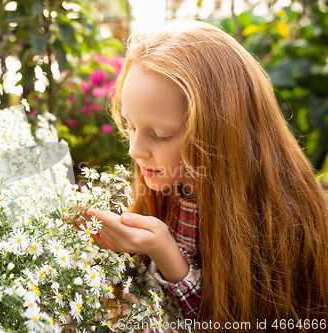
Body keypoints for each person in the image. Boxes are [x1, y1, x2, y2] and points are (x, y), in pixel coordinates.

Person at [74, 19, 328, 332]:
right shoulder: (170, 184)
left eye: (160, 134)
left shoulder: (278, 223)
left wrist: (165, 252)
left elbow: (233, 320)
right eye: (131, 126)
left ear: (220, 134)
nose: (135, 150)